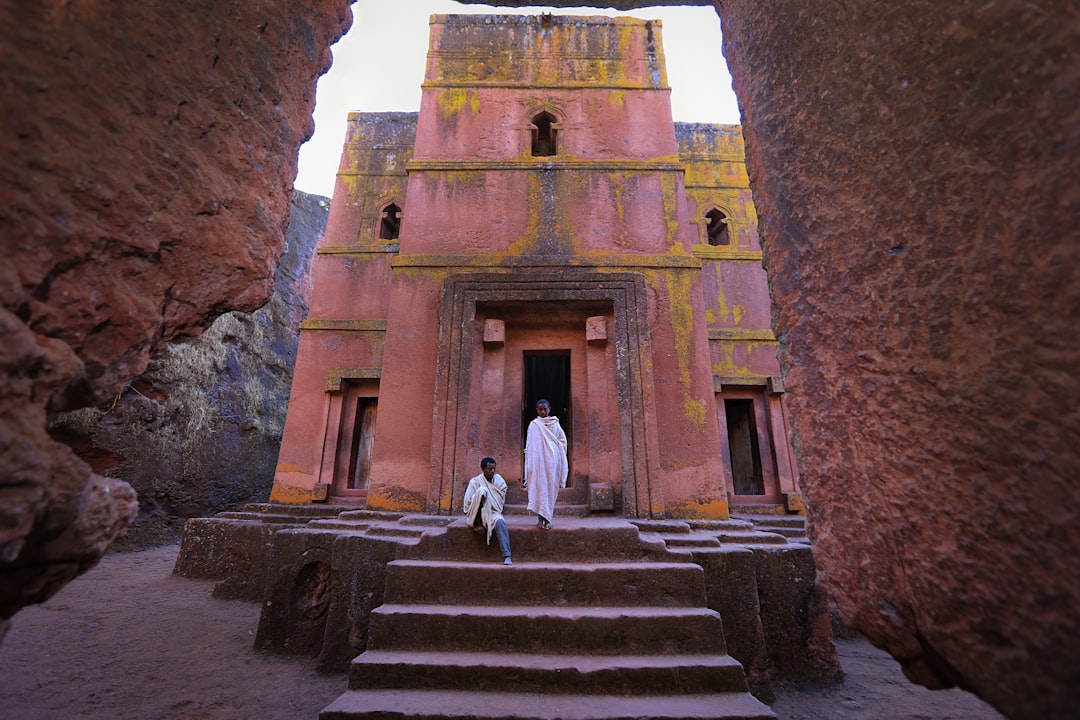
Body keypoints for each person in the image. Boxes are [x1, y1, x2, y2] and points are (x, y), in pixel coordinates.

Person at [523, 398, 568, 530]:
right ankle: (540, 518)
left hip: (552, 463)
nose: (543, 411)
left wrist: (554, 448)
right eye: (540, 409)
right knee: (540, 488)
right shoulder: (534, 425)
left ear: (549, 409)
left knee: (550, 489)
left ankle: (548, 518)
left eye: (545, 409)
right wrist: (531, 463)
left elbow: (562, 441)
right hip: (538, 463)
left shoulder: (555, 424)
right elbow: (530, 445)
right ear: (537, 410)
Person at [463, 457, 512, 565]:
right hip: (477, 513)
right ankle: (477, 523)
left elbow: (499, 501)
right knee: (481, 491)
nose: (492, 471)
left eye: (494, 468)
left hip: (493, 512)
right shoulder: (475, 482)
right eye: (489, 469)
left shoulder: (499, 481)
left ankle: (507, 555)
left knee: (500, 522)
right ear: (483, 469)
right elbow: (467, 504)